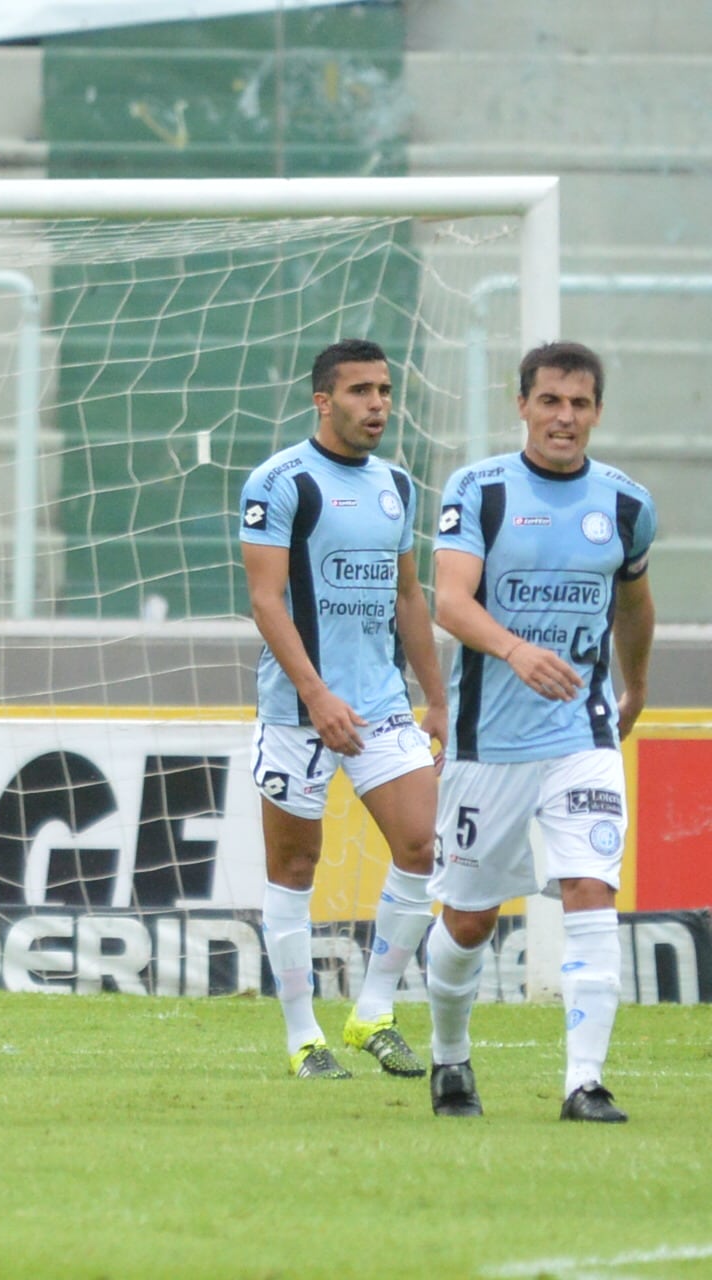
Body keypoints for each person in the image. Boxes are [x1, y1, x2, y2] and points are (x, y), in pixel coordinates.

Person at [423, 341, 655, 1123]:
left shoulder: (625, 504)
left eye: (580, 404)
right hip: (486, 746)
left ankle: (583, 1083)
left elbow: (634, 602)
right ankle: (450, 1058)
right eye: (550, 401)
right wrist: (516, 650)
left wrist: (638, 682)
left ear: (597, 412)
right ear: (521, 404)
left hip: (580, 734)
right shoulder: (479, 490)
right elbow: (449, 603)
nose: (565, 418)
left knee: (592, 889)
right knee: (469, 918)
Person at [238, 337, 449, 1080]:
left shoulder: (397, 484)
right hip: (299, 711)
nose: (378, 405)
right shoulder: (281, 481)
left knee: (423, 846)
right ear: (323, 400)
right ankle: (304, 1038)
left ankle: (373, 1012)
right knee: (294, 865)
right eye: (361, 391)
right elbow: (266, 600)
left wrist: (438, 697)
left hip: (383, 707)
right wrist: (316, 693)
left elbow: (409, 595)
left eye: (385, 391)